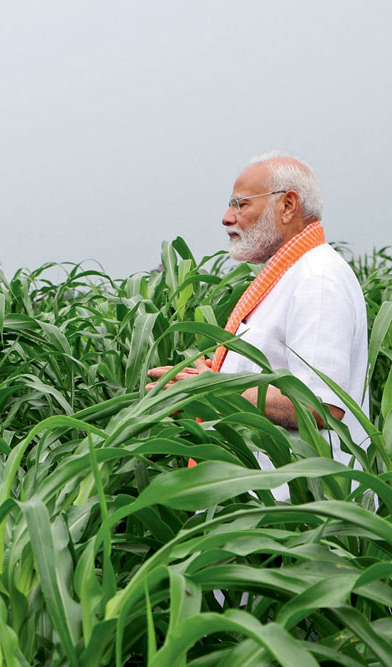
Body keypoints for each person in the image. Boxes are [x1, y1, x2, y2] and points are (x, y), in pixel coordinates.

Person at [147, 153, 368, 476]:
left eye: (240, 204)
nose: (226, 217)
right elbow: (269, 375)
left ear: (287, 205)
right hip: (267, 499)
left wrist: (213, 390)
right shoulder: (287, 276)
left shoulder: (317, 280)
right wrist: (210, 384)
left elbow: (320, 404)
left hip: (297, 508)